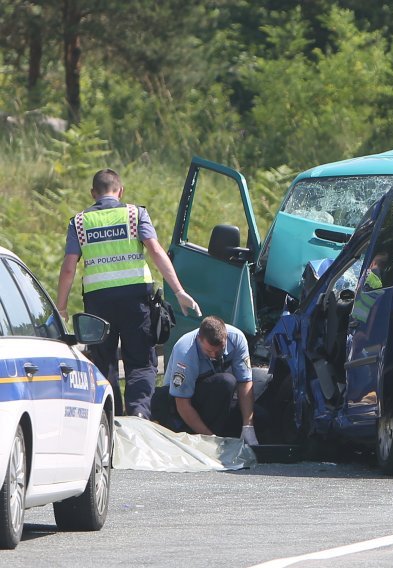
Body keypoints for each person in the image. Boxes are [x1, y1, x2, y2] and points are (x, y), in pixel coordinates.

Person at [56, 168, 201, 419]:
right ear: (120, 191)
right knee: (141, 361)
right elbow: (156, 252)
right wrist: (178, 291)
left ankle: (109, 418)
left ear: (93, 193)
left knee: (104, 361)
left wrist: (61, 307)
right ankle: (139, 415)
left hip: (99, 302)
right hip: (136, 301)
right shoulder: (135, 214)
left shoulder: (79, 222)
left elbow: (69, 267)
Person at [153, 316, 259, 445]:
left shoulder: (237, 339)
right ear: (199, 339)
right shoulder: (185, 352)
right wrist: (211, 439)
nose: (214, 355)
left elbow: (245, 382)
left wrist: (248, 427)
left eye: (219, 350)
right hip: (179, 405)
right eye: (209, 351)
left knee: (261, 419)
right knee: (226, 382)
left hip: (212, 398)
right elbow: (182, 403)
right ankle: (207, 436)